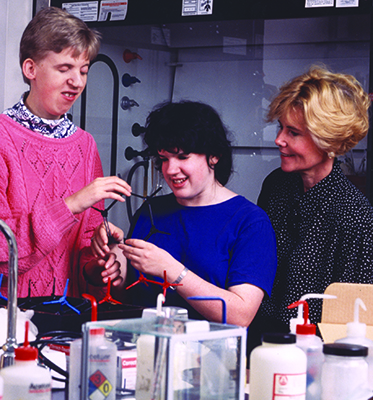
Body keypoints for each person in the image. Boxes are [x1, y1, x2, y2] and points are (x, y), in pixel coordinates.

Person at [90, 100, 277, 327]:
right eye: (164, 159)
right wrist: (113, 260)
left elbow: (240, 316)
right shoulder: (151, 212)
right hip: (145, 349)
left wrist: (173, 271)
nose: (170, 170)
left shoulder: (250, 222)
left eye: (182, 157)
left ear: (214, 155)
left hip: (212, 357)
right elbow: (129, 301)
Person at [0, 7, 131, 299]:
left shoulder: (85, 145)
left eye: (83, 70)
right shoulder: (2, 138)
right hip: (6, 324)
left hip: (66, 322)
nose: (78, 81)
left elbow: (83, 248)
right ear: (30, 69)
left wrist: (100, 264)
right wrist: (71, 205)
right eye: (64, 69)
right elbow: (1, 250)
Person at [248, 66, 373, 353]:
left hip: (315, 354)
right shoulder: (276, 185)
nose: (279, 139)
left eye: (293, 132)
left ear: (329, 140)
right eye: (281, 127)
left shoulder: (354, 214)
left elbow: (358, 314)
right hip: (259, 340)